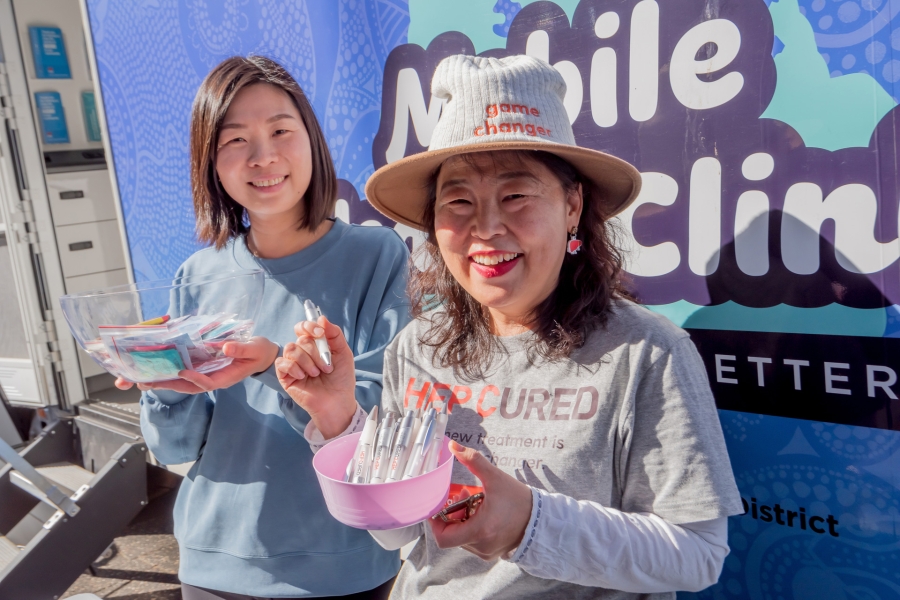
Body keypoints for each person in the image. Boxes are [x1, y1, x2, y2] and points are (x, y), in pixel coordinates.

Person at [281, 54, 744, 599]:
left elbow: (696, 556)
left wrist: (531, 523)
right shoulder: (418, 346)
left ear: (572, 206)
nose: (486, 226)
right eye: (457, 200)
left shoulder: (647, 352)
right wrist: (338, 418)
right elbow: (400, 531)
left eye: (516, 194)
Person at [117, 56, 409, 599]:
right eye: (235, 140)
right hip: (212, 561)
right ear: (211, 162)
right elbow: (176, 446)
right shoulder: (196, 274)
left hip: (342, 563)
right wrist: (160, 384)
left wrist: (280, 366)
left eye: (280, 130)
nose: (263, 156)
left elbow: (390, 420)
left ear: (312, 142)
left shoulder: (376, 255)